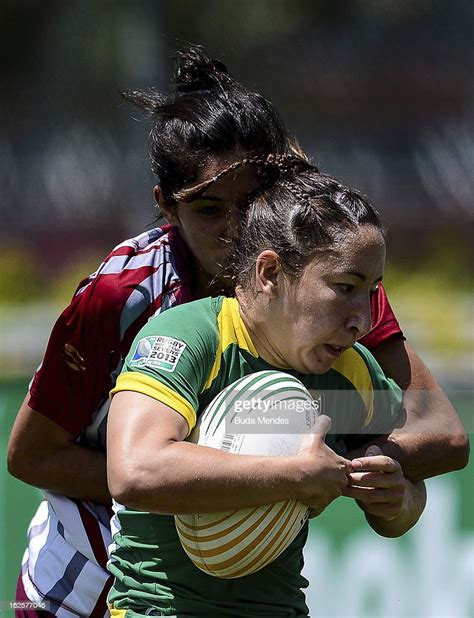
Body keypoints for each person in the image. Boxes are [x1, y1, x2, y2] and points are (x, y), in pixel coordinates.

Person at [7, 46, 467, 617]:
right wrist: (225, 477)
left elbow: (439, 432)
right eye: (208, 209)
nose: (234, 227)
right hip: (83, 575)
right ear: (167, 208)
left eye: (251, 200)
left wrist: (349, 470)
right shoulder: (124, 297)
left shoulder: (324, 289)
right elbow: (33, 456)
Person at [106, 168, 427, 617]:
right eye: (345, 288)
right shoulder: (191, 336)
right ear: (270, 271)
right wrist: (294, 475)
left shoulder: (347, 368)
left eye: (370, 292)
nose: (363, 321)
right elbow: (134, 472)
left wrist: (398, 499)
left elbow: (408, 493)